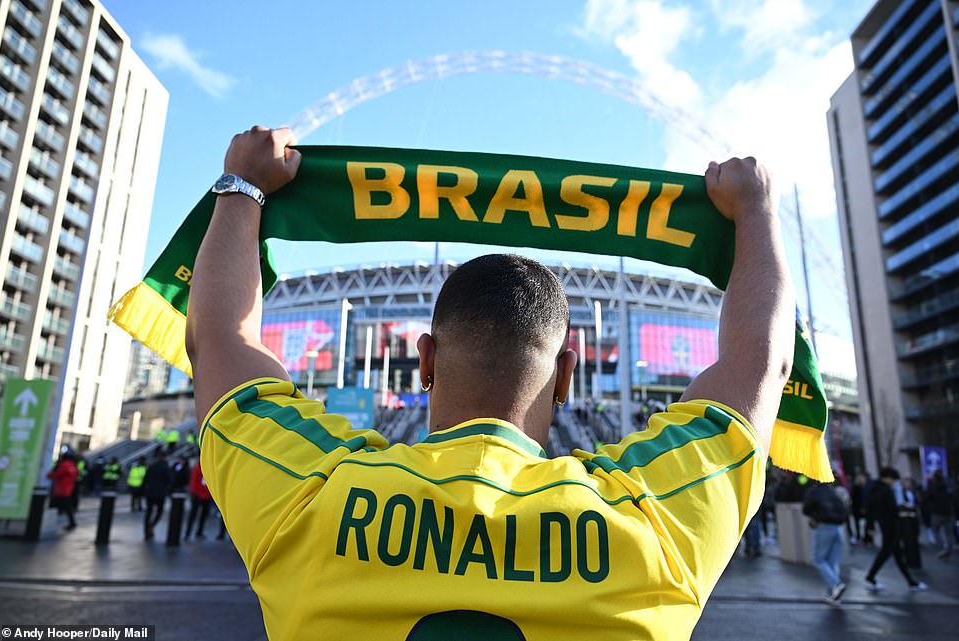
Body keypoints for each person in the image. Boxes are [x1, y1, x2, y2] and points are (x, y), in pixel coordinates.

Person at [187, 127, 795, 639]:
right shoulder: (652, 520)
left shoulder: (311, 496)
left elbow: (215, 342)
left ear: (424, 361)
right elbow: (762, 365)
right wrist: (757, 212)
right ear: (566, 375)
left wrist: (243, 187)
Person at [864, 467, 927, 591]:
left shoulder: (875, 489)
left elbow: (870, 510)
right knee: (889, 553)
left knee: (896, 554)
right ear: (888, 478)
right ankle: (872, 575)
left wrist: (870, 526)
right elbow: (891, 509)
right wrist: (902, 509)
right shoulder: (886, 490)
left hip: (885, 524)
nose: (893, 482)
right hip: (891, 525)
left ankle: (910, 581)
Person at [802, 479, 849, 604]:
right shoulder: (832, 491)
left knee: (819, 560)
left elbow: (806, 508)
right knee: (833, 561)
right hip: (838, 526)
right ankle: (832, 593)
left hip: (824, 525)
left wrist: (814, 516)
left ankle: (836, 585)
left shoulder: (813, 492)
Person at [142, 449, 171, 541]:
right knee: (159, 512)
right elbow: (169, 480)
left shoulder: (151, 466)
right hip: (160, 494)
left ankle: (146, 532)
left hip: (150, 493)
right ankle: (152, 525)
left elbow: (145, 479)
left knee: (148, 512)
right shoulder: (166, 467)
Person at [926, 470, 954, 560]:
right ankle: (948, 549)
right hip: (948, 512)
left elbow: (926, 498)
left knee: (936, 531)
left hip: (937, 513)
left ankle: (942, 549)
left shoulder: (933, 487)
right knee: (949, 533)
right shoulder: (948, 486)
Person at [47, 453, 79, 531]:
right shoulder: (73, 466)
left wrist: (49, 474)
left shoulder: (65, 465)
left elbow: (57, 474)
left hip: (61, 489)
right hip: (68, 489)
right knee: (67, 507)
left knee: (54, 506)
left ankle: (49, 523)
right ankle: (71, 523)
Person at [185, 462, 212, 540]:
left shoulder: (206, 469)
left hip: (205, 495)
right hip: (198, 495)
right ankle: (188, 533)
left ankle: (199, 532)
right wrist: (194, 493)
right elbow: (193, 482)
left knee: (203, 515)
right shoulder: (197, 469)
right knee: (193, 515)